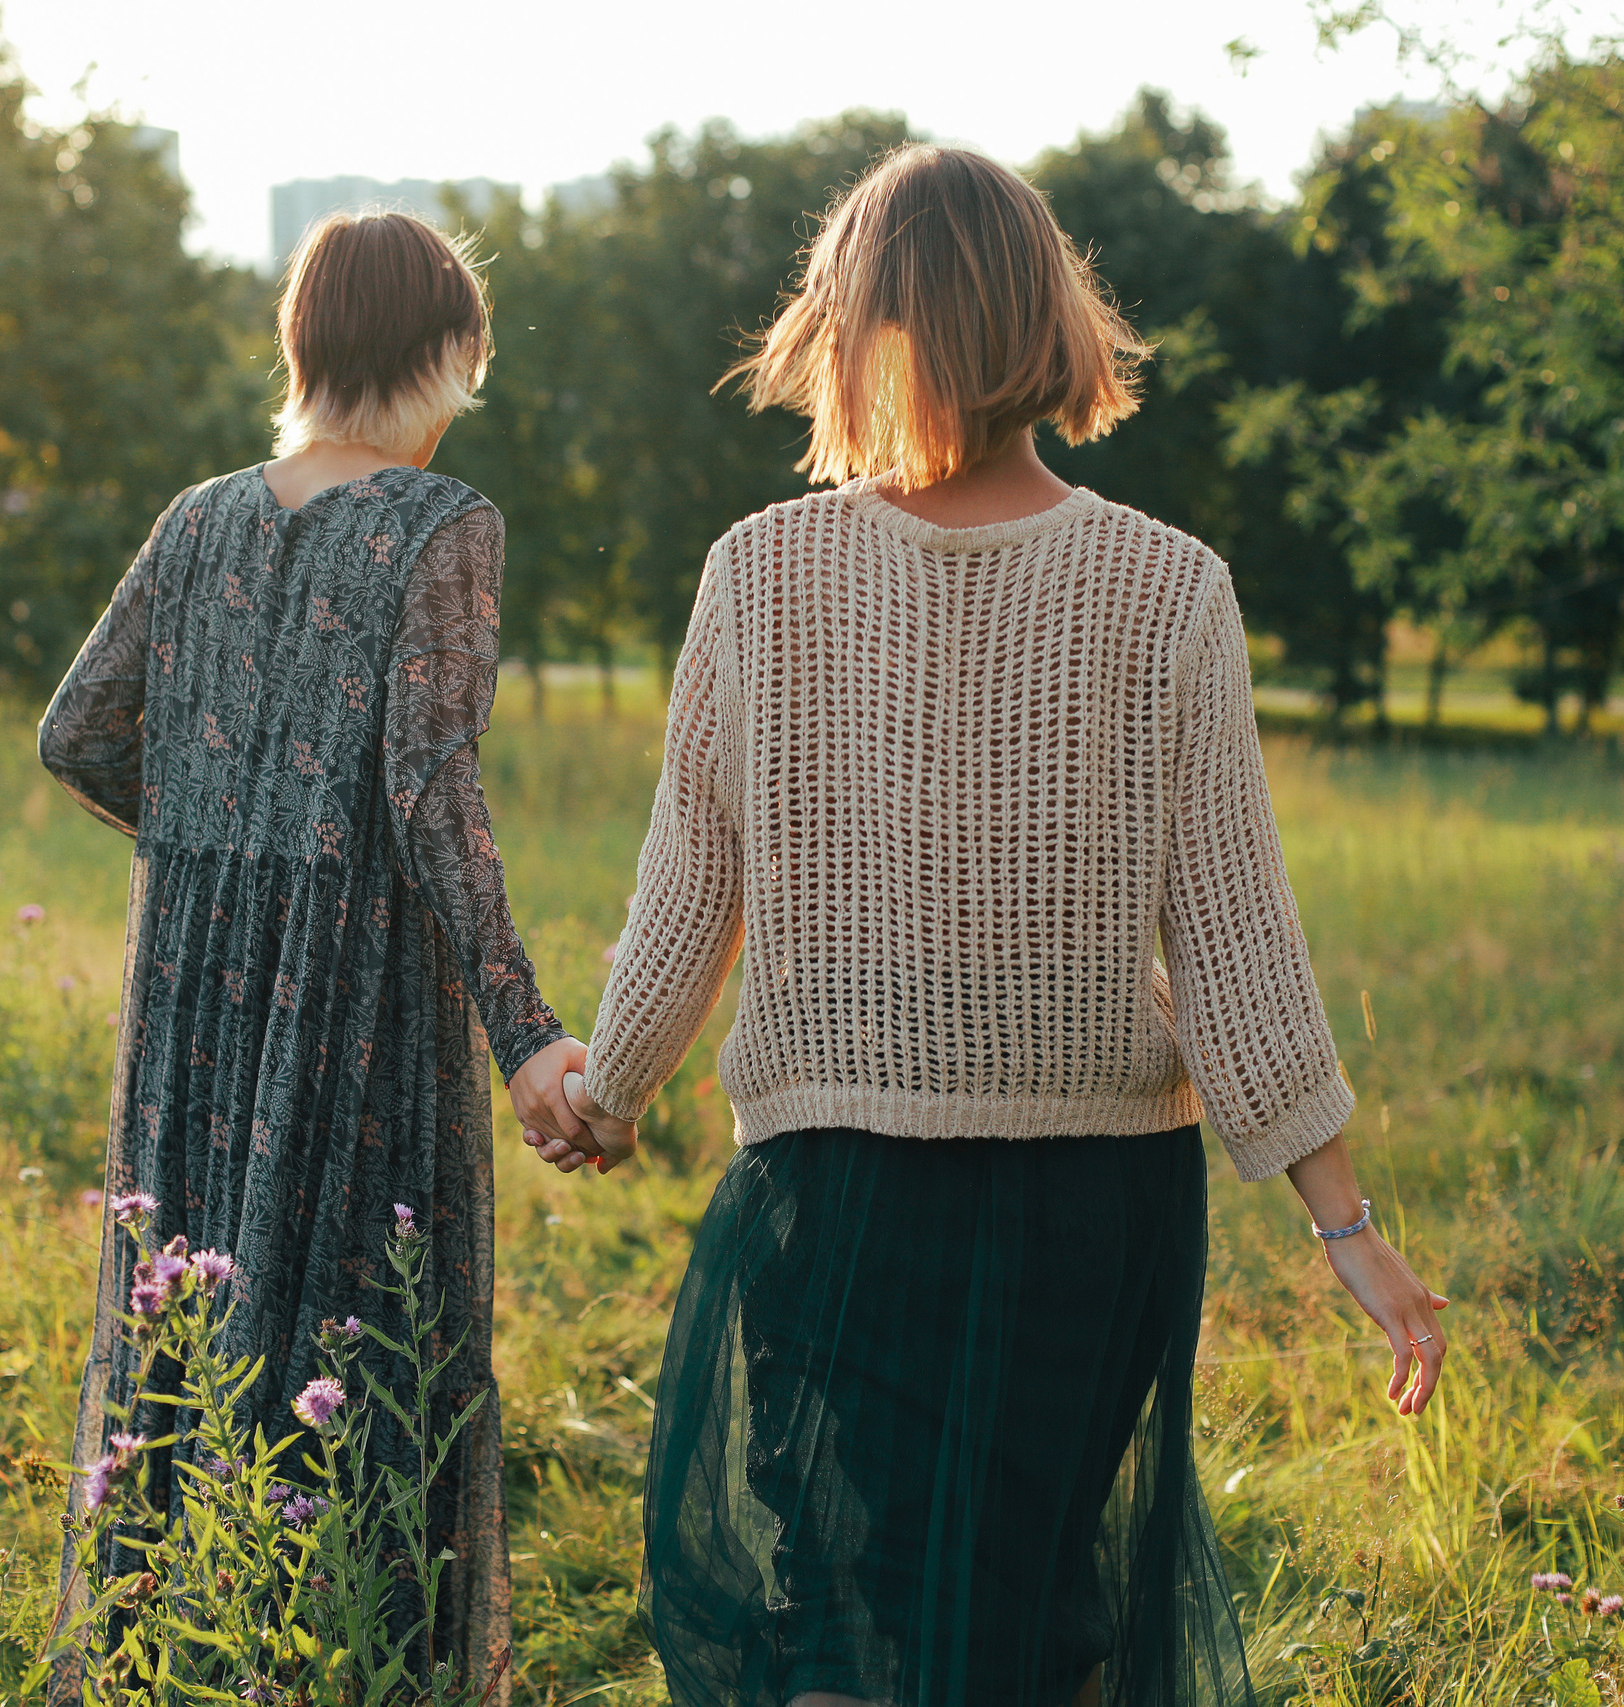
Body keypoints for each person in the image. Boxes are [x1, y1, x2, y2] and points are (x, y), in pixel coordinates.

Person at [527, 146, 1453, 1707]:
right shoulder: (1171, 587)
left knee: (844, 1610)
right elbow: (1237, 943)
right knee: (1037, 1615)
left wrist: (602, 1094)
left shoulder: (762, 572)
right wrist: (1345, 1227)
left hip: (844, 1190)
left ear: (855, 323)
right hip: (1094, 1208)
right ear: (1050, 321)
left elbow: (693, 885)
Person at [37, 209, 587, 1701]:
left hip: (190, 995)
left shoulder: (200, 513)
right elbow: (429, 789)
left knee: (187, 1329)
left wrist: (222, 838)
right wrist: (524, 1025)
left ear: (301, 344)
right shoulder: (441, 522)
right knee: (368, 1338)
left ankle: (172, 1659)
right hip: (356, 996)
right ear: (444, 354)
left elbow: (75, 731)